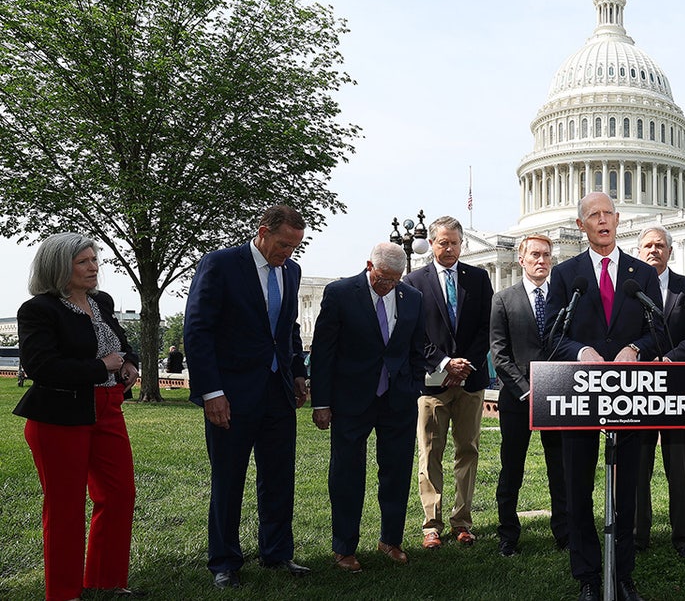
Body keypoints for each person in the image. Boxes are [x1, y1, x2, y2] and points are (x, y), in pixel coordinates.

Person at [184, 205, 311, 589]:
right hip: (231, 395)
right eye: (283, 244)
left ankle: (277, 553)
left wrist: (299, 372)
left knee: (278, 477)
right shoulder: (220, 264)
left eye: (295, 246)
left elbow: (288, 328)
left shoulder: (292, 271)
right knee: (228, 478)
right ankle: (224, 561)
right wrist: (212, 392)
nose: (287, 252)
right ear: (262, 232)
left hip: (278, 394)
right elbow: (198, 330)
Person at [545, 191, 661, 601]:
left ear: (618, 219)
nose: (603, 220)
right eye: (594, 215)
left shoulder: (641, 274)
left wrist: (637, 349)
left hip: (629, 395)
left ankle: (624, 575)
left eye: (608, 212)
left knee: (626, 490)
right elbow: (552, 336)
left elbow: (657, 331)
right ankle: (589, 577)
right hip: (579, 394)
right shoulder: (564, 275)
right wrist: (581, 351)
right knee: (578, 490)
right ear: (582, 225)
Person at [13, 233, 141, 601]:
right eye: (83, 262)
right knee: (65, 507)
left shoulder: (102, 301)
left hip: (109, 408)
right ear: (59, 267)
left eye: (94, 260)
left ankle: (106, 579)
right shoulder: (38, 310)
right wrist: (99, 366)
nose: (94, 267)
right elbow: (41, 366)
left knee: (119, 495)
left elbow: (120, 341)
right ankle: (64, 592)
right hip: (58, 417)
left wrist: (129, 362)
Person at [309, 242, 427, 571]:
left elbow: (418, 348)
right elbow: (323, 351)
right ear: (369, 266)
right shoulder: (340, 293)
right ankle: (344, 547)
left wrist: (415, 384)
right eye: (383, 278)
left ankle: (391, 540)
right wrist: (322, 402)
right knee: (347, 474)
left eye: (395, 279)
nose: (388, 285)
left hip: (398, 400)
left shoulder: (412, 298)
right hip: (351, 401)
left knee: (397, 472)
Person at [402, 215, 494, 549]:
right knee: (430, 452)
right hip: (432, 382)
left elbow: (488, 326)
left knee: (467, 450)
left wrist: (464, 364)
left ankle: (462, 521)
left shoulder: (479, 279)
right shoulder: (414, 281)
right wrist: (443, 362)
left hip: (470, 380)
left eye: (455, 242)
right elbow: (414, 332)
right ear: (431, 243)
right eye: (443, 242)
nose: (450, 248)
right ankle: (431, 524)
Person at [491, 234, 569, 557]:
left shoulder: (564, 300)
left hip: (556, 397)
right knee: (512, 470)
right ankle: (508, 535)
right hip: (518, 400)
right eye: (535, 254)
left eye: (546, 255)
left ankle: (565, 533)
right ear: (521, 259)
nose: (541, 260)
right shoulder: (503, 299)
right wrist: (526, 392)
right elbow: (499, 354)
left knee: (560, 471)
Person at [634, 225, 685, 559]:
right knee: (638, 468)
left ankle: (684, 539)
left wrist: (670, 359)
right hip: (637, 390)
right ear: (639, 251)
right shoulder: (628, 290)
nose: (654, 250)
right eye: (648, 245)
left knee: (679, 469)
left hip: (677, 388)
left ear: (670, 251)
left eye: (660, 245)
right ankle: (637, 536)